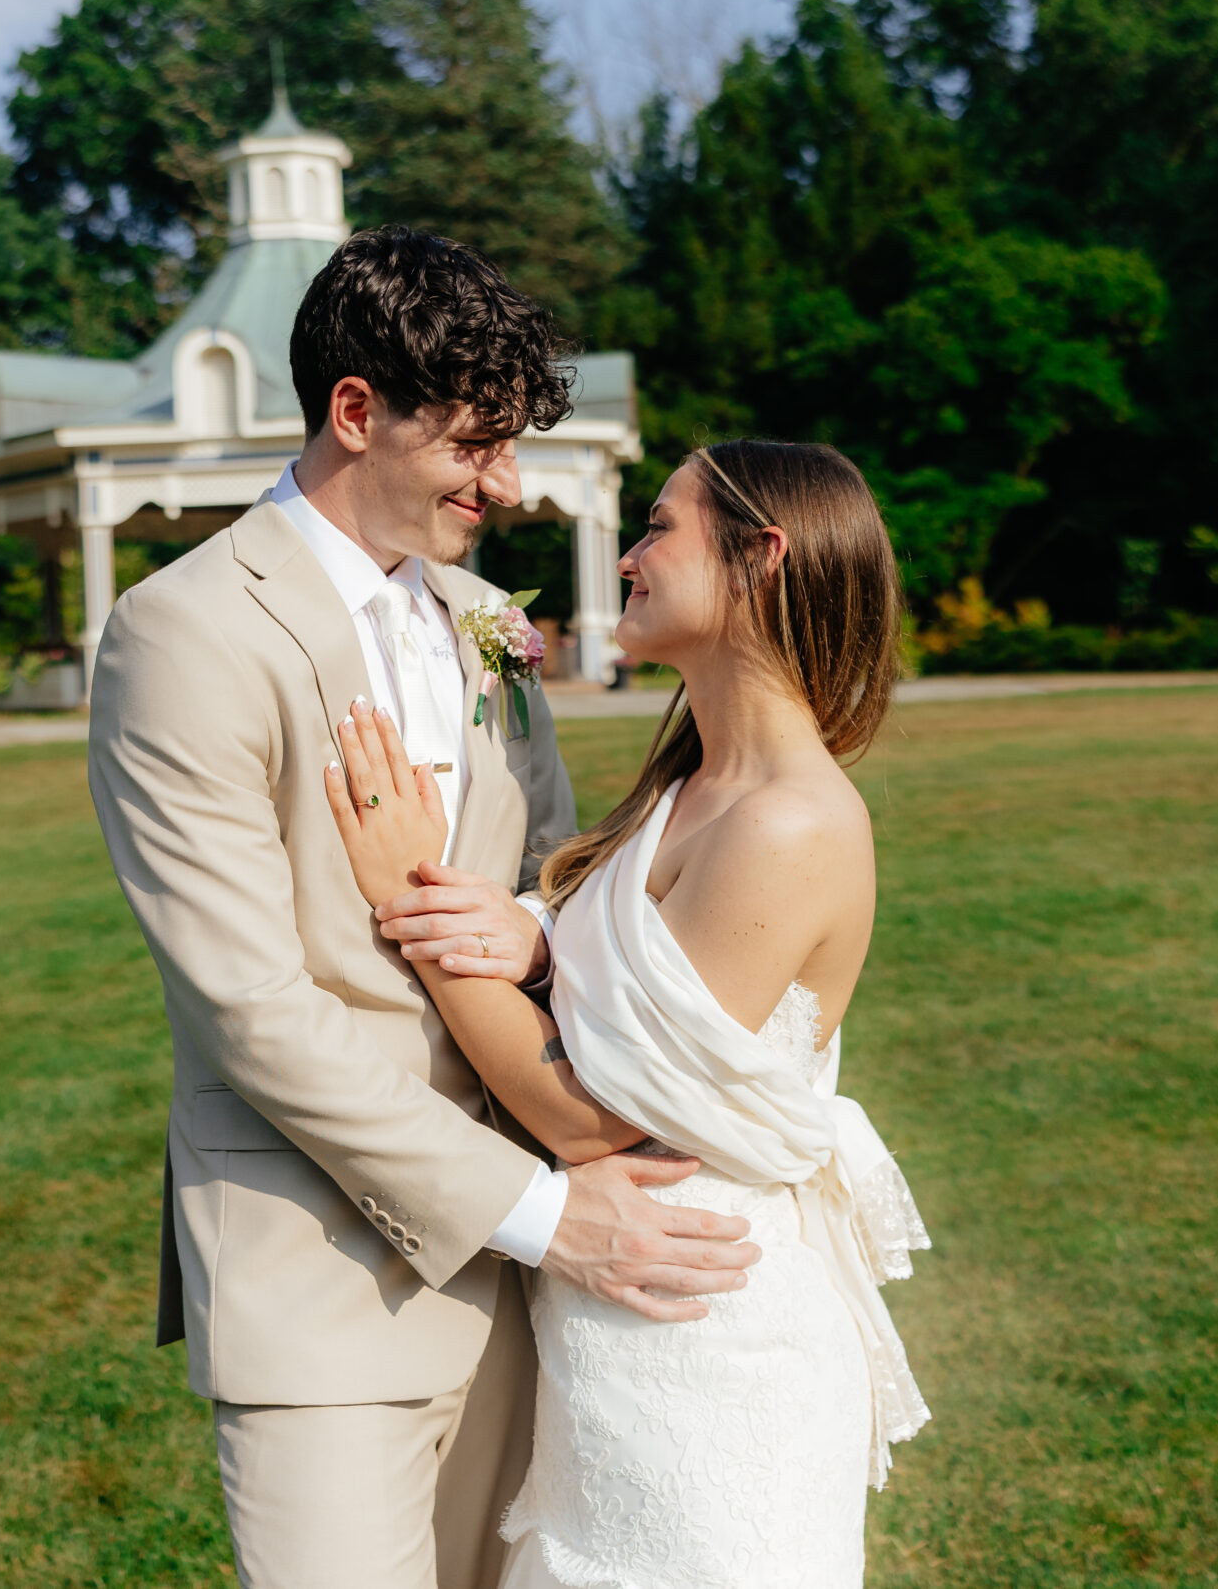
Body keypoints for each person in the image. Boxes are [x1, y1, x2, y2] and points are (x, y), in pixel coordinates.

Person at [87, 228, 763, 1589]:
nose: (506, 485)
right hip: (323, 1269)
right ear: (355, 412)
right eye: (475, 445)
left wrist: (522, 919)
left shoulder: (482, 620)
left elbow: (559, 871)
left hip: (541, 1282)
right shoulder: (185, 632)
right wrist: (539, 1205)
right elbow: (250, 1009)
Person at [329, 438, 932, 1589]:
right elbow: (638, 971)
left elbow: (589, 1121)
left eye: (659, 528)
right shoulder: (693, 782)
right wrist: (530, 933)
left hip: (710, 1332)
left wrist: (412, 901)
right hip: (615, 1330)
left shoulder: (791, 824)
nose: (627, 559)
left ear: (762, 557)